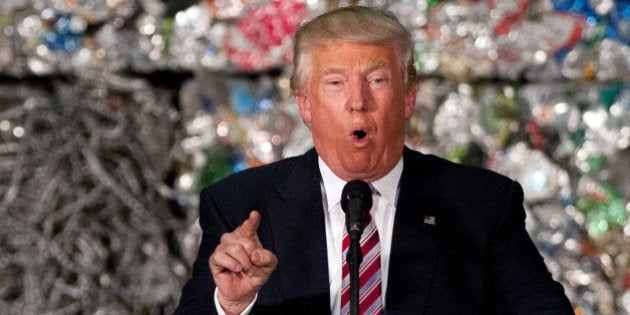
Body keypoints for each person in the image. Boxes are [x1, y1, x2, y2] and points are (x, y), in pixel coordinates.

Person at [174, 5, 574, 315]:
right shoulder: (239, 205)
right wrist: (230, 304)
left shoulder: (481, 204)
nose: (358, 103)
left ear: (409, 97)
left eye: (377, 80)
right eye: (335, 83)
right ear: (305, 103)